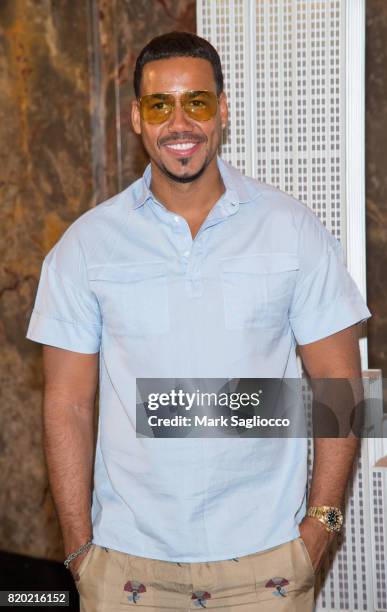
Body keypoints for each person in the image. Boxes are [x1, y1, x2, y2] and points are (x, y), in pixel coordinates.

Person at [26, 31, 371, 611]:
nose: (179, 122)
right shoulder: (85, 246)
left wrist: (321, 530)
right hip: (126, 567)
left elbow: (342, 384)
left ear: (223, 110)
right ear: (137, 117)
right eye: (161, 104)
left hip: (269, 563)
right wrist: (80, 549)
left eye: (198, 102)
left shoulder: (291, 230)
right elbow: (65, 405)